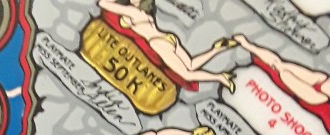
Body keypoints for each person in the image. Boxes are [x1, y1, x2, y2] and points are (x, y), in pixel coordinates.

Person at [231, 3, 330, 134]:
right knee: (279, 64)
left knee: (284, 74)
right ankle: (247, 45)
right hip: (320, 79)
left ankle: (249, 47)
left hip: (319, 96)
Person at [98, 0, 236, 90]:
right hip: (168, 38)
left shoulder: (132, 11)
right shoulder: (146, 13)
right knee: (191, 65)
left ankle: (220, 77)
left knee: (187, 75)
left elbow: (103, 3)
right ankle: (217, 48)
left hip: (158, 42)